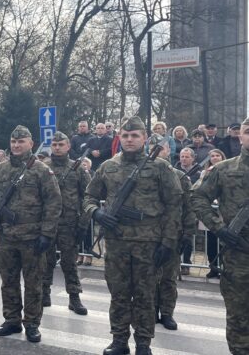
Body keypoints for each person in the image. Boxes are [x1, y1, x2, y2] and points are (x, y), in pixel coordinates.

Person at [84, 116, 182, 355]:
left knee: (145, 295)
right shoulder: (108, 166)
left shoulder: (160, 167)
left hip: (148, 243)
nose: (129, 140)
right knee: (118, 293)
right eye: (125, 136)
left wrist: (168, 242)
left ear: (144, 138)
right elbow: (88, 197)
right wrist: (97, 213)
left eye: (135, 135)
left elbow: (174, 205)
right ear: (120, 137)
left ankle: (143, 343)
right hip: (116, 242)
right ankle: (119, 341)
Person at [0, 125, 61, 343]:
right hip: (6, 237)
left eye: (21, 141)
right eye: (13, 142)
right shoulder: (0, 169)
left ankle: (32, 324)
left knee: (33, 283)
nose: (16, 145)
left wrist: (47, 234)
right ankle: (12, 320)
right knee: (9, 281)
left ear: (31, 144)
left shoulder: (42, 170)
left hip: (33, 238)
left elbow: (53, 203)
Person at [191, 117, 249, 355]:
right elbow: (197, 197)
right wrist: (219, 227)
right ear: (240, 136)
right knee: (238, 314)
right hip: (239, 253)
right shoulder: (224, 169)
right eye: (248, 131)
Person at [149, 134, 197, 331]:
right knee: (150, 277)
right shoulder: (142, 173)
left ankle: (167, 312)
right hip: (148, 235)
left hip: (173, 234)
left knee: (168, 278)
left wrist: (188, 233)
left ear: (169, 150)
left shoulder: (179, 176)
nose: (158, 151)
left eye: (161, 148)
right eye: (153, 147)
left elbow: (189, 206)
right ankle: (151, 311)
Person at [44, 131, 91, 315]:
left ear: (68, 146)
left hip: (69, 223)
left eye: (60, 144)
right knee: (45, 260)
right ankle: (44, 293)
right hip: (47, 222)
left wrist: (84, 224)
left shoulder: (78, 168)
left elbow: (88, 197)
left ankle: (74, 297)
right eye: (54, 145)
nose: (57, 147)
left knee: (69, 262)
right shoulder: (42, 167)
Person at [199, 148, 226, 279]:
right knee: (210, 242)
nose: (215, 158)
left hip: (223, 212)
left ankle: (222, 267)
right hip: (209, 212)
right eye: (212, 156)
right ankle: (213, 267)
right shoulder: (205, 172)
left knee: (223, 242)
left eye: (217, 155)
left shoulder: (227, 170)